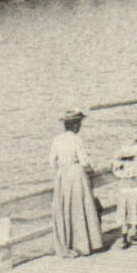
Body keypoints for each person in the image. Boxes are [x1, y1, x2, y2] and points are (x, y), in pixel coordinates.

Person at [49, 110, 104, 258]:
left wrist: (60, 172)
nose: (79, 127)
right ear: (74, 125)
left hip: (62, 175)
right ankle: (83, 244)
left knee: (66, 209)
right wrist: (90, 170)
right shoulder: (76, 139)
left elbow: (51, 161)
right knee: (80, 208)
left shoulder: (57, 139)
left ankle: (69, 243)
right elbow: (84, 161)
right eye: (79, 124)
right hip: (76, 174)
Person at [111, 143, 137, 249]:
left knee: (124, 214)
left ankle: (124, 238)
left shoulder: (119, 166)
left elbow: (114, 172)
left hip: (123, 192)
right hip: (136, 190)